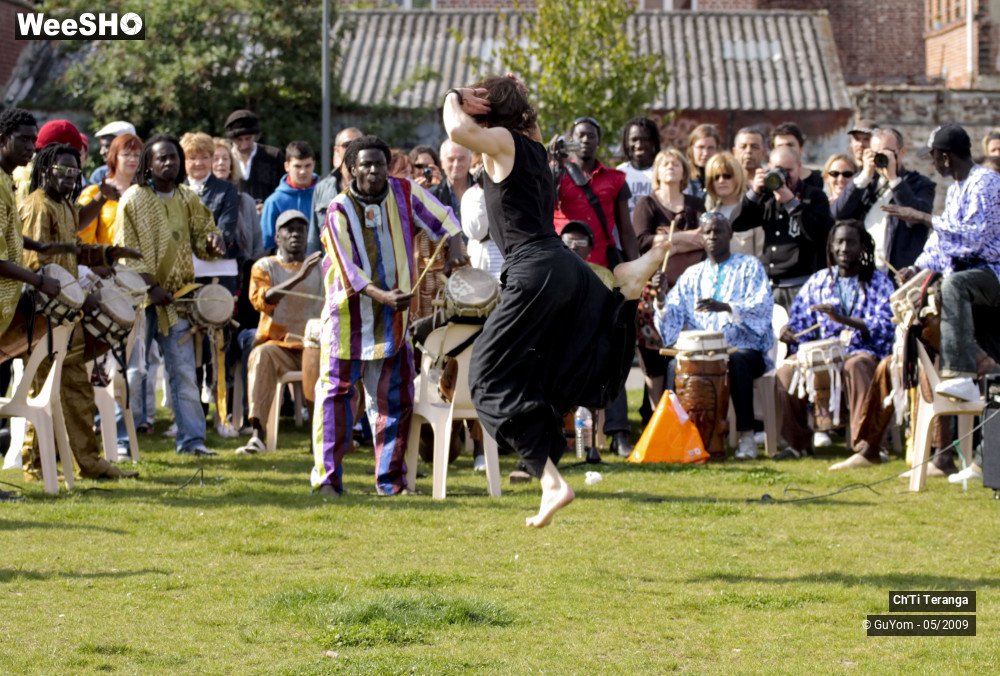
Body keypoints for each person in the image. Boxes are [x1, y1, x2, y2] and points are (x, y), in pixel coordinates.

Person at [443, 75, 667, 526]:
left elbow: (455, 131)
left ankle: (549, 480)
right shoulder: (530, 142)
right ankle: (624, 290)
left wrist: (454, 96)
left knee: (485, 378)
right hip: (565, 269)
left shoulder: (504, 140)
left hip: (534, 270)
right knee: (543, 367)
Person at [312, 135, 466, 497]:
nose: (372, 171)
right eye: (364, 164)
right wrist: (383, 296)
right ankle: (327, 481)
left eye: (379, 164)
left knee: (394, 402)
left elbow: (446, 220)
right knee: (335, 398)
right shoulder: (337, 209)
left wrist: (456, 252)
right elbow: (349, 271)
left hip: (392, 321)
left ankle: (389, 482)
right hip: (346, 321)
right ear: (350, 170)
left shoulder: (405, 192)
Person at [19, 142, 140, 481]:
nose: (70, 178)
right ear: (45, 171)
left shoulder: (67, 207)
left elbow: (72, 253)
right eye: (63, 172)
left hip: (66, 318)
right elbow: (37, 265)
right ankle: (36, 466)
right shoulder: (38, 207)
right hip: (43, 319)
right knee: (42, 391)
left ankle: (89, 463)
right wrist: (78, 296)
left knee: (75, 390)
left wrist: (108, 254)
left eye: (75, 173)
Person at [114, 134, 227, 456]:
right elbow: (126, 255)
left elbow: (206, 233)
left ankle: (192, 441)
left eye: (173, 157)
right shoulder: (133, 199)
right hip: (138, 300)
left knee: (183, 373)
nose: (169, 163)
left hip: (175, 300)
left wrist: (214, 242)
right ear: (148, 163)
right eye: (161, 158)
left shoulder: (187, 197)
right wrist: (152, 287)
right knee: (134, 372)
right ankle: (123, 440)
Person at [887, 123, 1000, 403]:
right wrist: (917, 268)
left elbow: (974, 237)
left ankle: (960, 374)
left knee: (953, 286)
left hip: (992, 273)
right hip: (975, 281)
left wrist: (923, 217)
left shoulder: (985, 182)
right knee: (990, 340)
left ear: (946, 157)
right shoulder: (956, 190)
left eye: (935, 157)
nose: (934, 164)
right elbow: (942, 242)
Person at [552, 114, 639, 457]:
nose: (585, 141)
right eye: (579, 136)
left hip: (602, 274)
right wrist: (551, 160)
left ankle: (618, 432)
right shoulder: (557, 174)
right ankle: (558, 435)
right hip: (563, 273)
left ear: (599, 142)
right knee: (561, 351)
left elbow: (626, 229)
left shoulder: (616, 178)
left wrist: (636, 272)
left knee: (609, 350)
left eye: (591, 136)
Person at [655, 211, 774, 460]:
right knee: (674, 366)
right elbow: (672, 316)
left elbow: (762, 305)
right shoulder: (692, 274)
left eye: (718, 231)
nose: (712, 237)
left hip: (745, 349)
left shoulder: (749, 266)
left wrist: (728, 307)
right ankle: (677, 436)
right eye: (707, 232)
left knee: (738, 360)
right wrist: (661, 299)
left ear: (730, 234)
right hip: (703, 354)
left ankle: (746, 437)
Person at [775, 220, 895, 460]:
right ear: (830, 247)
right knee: (787, 371)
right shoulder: (818, 281)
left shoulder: (878, 281)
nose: (843, 248)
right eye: (838, 242)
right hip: (825, 353)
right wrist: (789, 331)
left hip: (864, 352)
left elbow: (885, 325)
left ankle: (865, 445)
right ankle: (797, 444)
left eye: (850, 242)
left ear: (863, 247)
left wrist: (843, 319)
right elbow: (802, 325)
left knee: (856, 365)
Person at [237, 210, 323, 455]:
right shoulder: (264, 266)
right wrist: (300, 276)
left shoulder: (321, 267)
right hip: (279, 346)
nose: (295, 234)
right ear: (277, 237)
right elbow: (263, 301)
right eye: (289, 229)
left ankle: (320, 438)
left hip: (313, 347)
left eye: (301, 229)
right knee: (261, 355)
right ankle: (257, 435)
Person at [632, 148, 705, 409]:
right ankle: (655, 416)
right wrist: (686, 238)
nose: (671, 167)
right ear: (657, 172)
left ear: (685, 170)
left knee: (686, 353)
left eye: (676, 163)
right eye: (665, 163)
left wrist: (666, 240)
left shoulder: (696, 205)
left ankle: (685, 414)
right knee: (654, 358)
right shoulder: (647, 205)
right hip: (654, 291)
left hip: (689, 291)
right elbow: (643, 243)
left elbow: (704, 240)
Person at [731, 146, 834, 310]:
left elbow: (818, 233)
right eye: (778, 170)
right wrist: (754, 193)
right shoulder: (766, 198)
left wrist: (792, 203)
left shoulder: (814, 196)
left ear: (799, 168)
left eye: (788, 170)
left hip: (801, 286)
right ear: (769, 169)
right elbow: (736, 224)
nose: (784, 176)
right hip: (769, 287)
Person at [833, 128, 936, 272]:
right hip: (864, 271)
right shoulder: (863, 182)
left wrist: (894, 180)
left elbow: (917, 219)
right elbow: (838, 213)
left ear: (902, 152)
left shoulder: (920, 184)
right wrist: (864, 177)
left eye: (886, 152)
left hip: (898, 273)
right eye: (875, 153)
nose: (880, 157)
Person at [78, 132, 143, 245]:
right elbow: (84, 237)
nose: (132, 159)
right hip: (105, 260)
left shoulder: (145, 192)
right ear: (114, 156)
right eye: (126, 154)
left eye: (137, 155)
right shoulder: (94, 192)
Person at [310, 127, 363, 255]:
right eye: (347, 145)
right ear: (336, 150)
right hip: (330, 267)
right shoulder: (322, 188)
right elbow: (314, 237)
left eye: (359, 145)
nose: (353, 149)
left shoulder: (374, 187)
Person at [260, 141, 318, 252]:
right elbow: (267, 244)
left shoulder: (325, 195)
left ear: (314, 165)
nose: (303, 171)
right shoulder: (274, 202)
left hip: (322, 265)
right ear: (287, 166)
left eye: (307, 166)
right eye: (297, 166)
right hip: (286, 266)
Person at [224, 109, 284, 209]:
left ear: (256, 136)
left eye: (248, 139)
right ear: (231, 139)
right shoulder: (224, 159)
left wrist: (268, 206)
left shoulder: (273, 156)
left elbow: (283, 189)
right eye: (239, 140)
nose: (244, 145)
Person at [704, 152, 756, 256]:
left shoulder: (753, 211)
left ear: (737, 177)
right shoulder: (708, 217)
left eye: (727, 176)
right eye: (716, 177)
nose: (721, 181)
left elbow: (761, 253)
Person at [461, 167, 503, 280]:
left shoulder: (513, 191)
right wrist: (483, 190)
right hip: (483, 267)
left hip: (509, 268)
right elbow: (476, 231)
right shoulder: (472, 195)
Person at [617, 117, 660, 216]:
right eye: (634, 139)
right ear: (626, 142)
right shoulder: (619, 173)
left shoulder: (662, 172)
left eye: (645, 139)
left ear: (653, 142)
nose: (639, 145)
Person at [88, 120, 136, 186]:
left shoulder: (143, 177)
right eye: (101, 146)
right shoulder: (99, 175)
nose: (102, 152)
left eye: (108, 146)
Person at [436, 139, 474, 218]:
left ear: (470, 160)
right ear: (442, 163)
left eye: (461, 159)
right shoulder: (433, 196)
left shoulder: (484, 190)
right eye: (451, 159)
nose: (456, 164)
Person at [684, 123, 721, 200]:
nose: (705, 153)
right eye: (701, 147)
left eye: (710, 148)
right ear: (691, 148)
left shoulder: (724, 176)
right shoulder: (683, 174)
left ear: (717, 149)